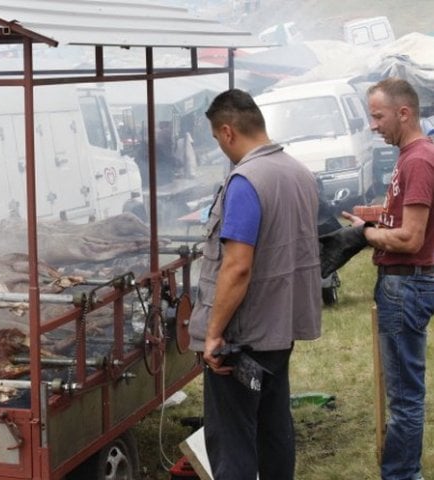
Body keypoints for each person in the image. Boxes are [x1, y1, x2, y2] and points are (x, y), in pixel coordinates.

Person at [188, 88, 322, 480]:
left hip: (242, 340)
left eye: (216, 139)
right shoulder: (298, 171)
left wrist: (213, 335)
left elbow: (238, 267)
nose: (219, 147)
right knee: (273, 431)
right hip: (280, 332)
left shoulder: (246, 180)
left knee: (232, 444)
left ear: (228, 132)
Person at [342, 77, 434, 480]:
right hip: (407, 284)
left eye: (377, 116)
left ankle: (400, 476)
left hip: (407, 284)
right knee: (405, 394)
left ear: (404, 112)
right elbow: (407, 219)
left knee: (405, 398)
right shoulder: (411, 156)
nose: (373, 125)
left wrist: (363, 235)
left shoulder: (418, 159)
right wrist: (374, 214)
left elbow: (410, 238)